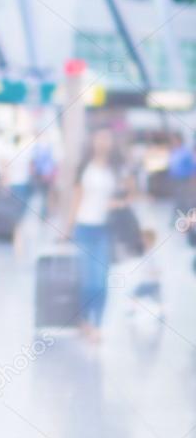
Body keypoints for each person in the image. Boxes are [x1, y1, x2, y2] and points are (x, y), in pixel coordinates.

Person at [65, 127, 134, 343]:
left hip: (105, 229)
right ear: (93, 141)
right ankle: (85, 320)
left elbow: (132, 193)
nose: (103, 142)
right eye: (99, 138)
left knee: (102, 281)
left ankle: (97, 324)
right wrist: (67, 229)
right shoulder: (85, 167)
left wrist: (119, 202)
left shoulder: (116, 170)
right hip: (84, 228)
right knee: (88, 281)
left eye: (107, 139)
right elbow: (76, 200)